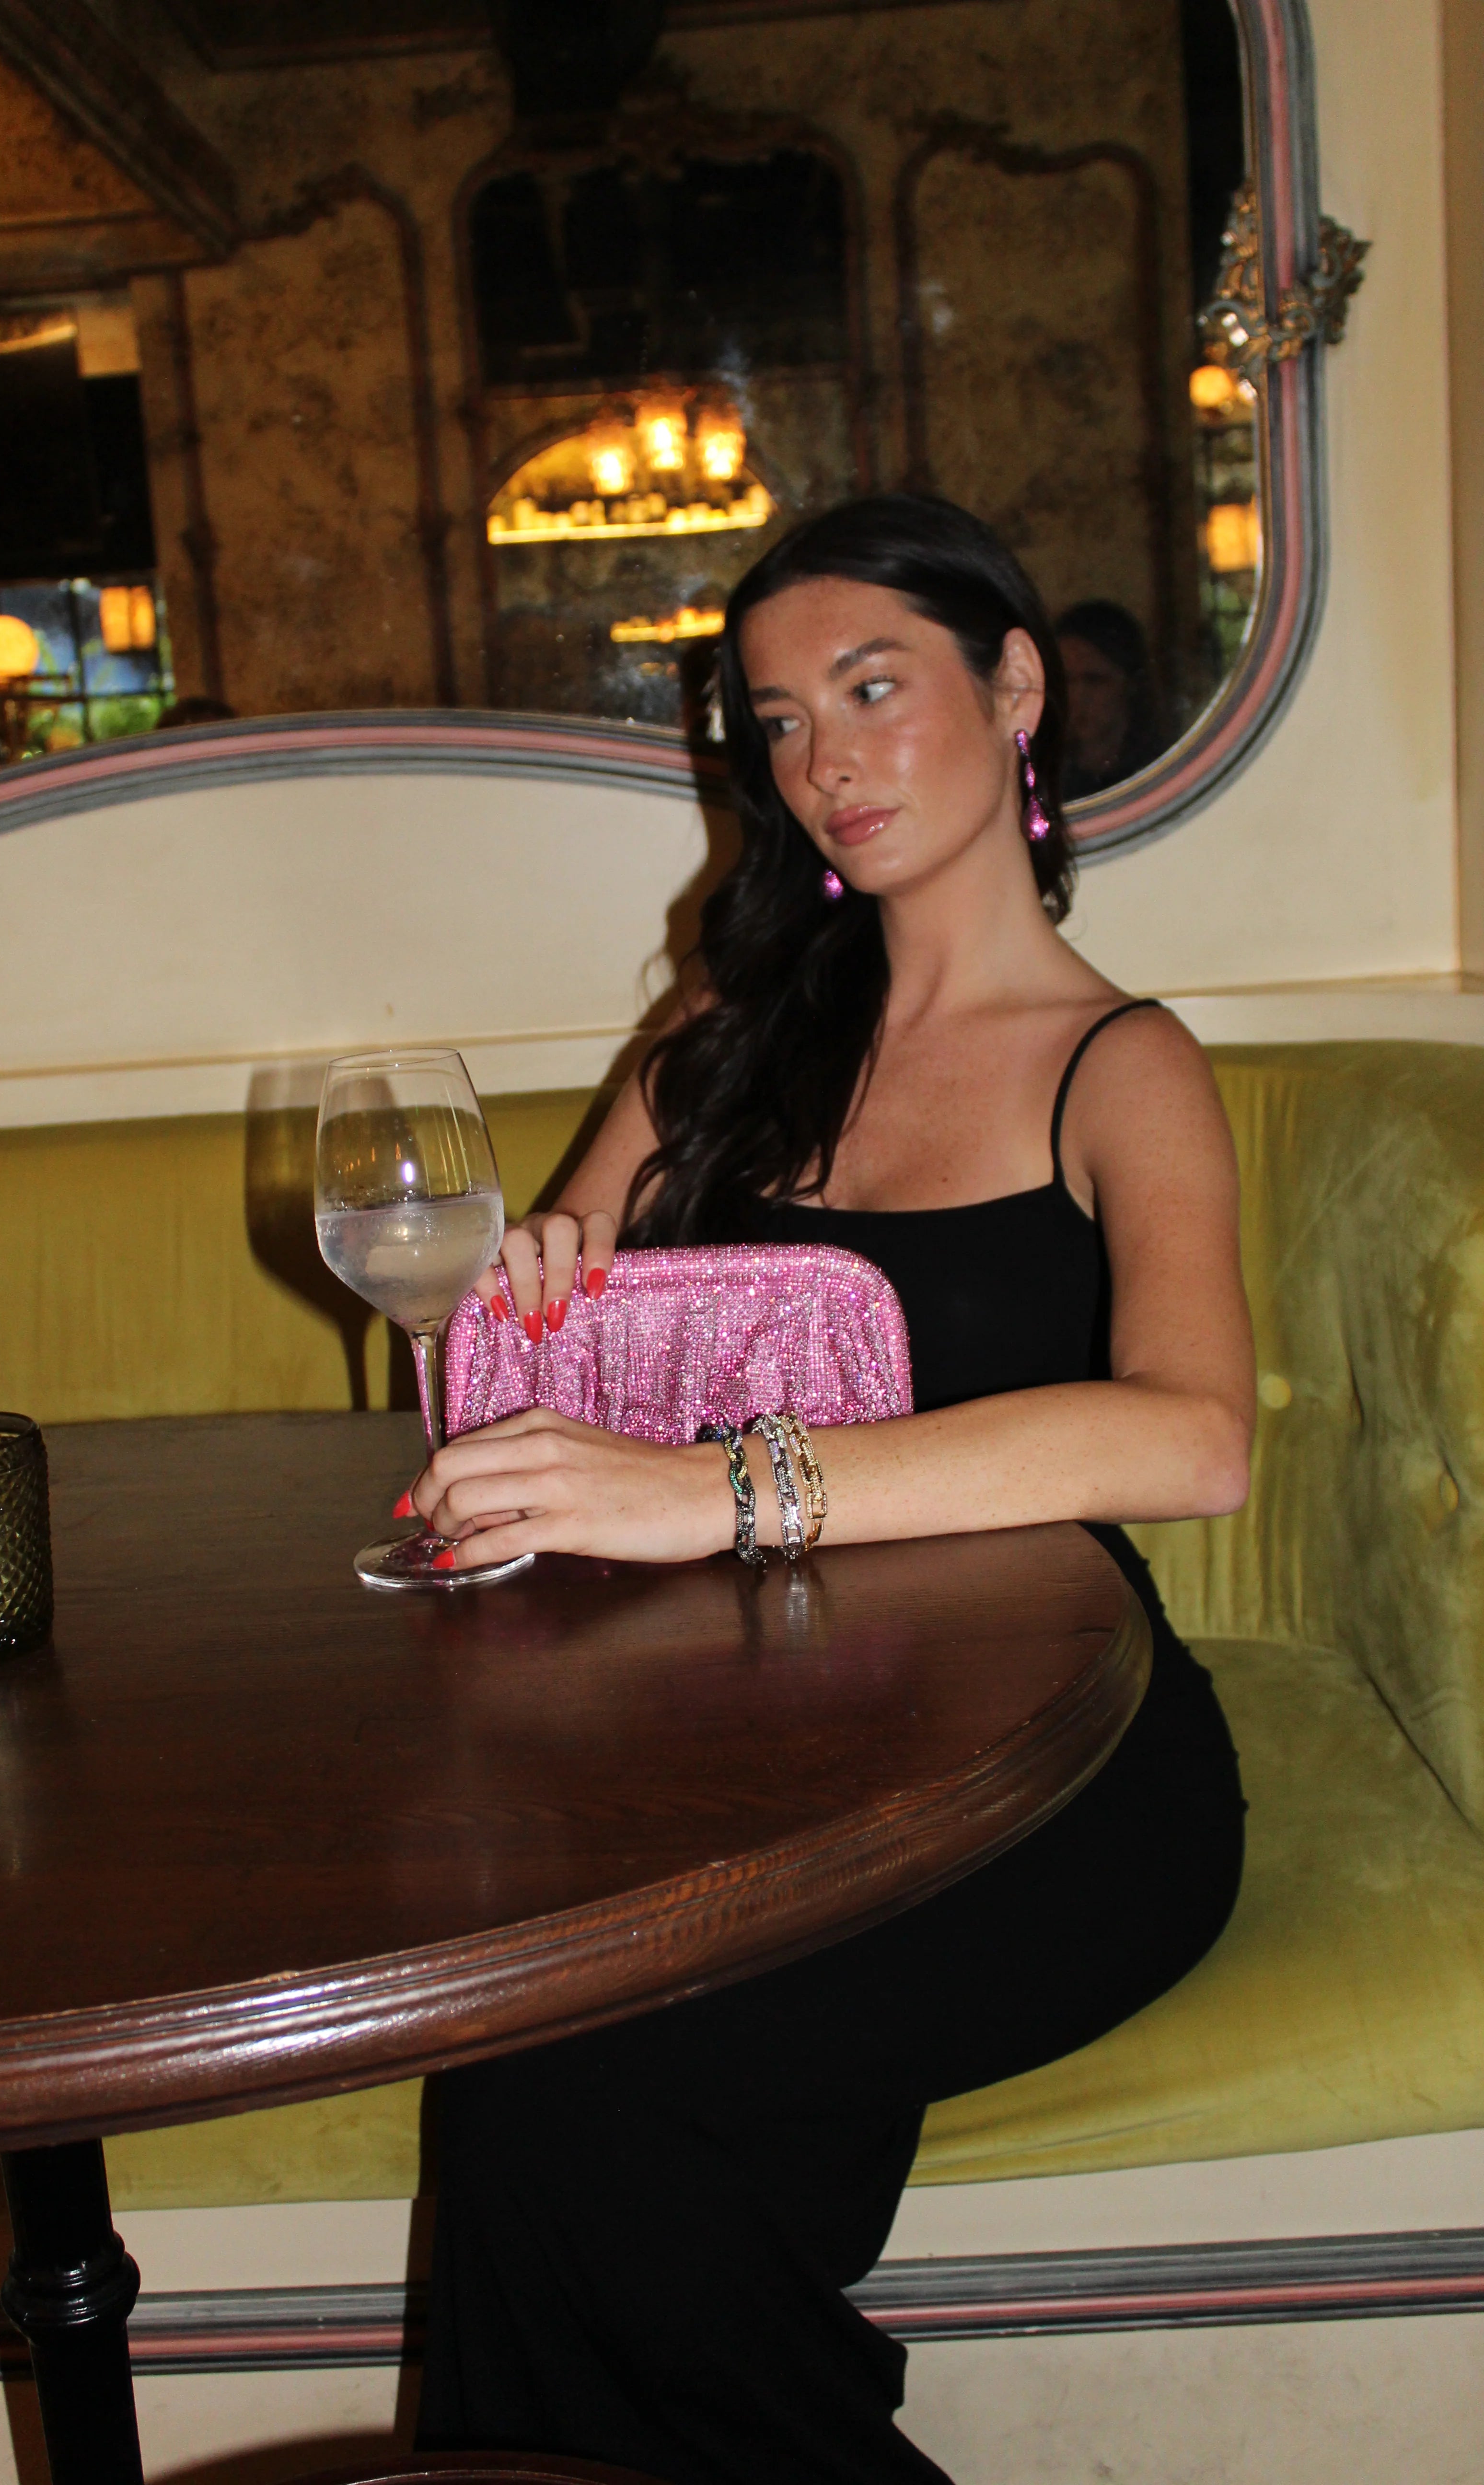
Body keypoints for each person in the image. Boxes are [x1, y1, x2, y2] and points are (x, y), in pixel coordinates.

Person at [408, 493, 1252, 2485]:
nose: (824, 763)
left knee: (578, 2120)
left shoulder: (1118, 1064)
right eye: (779, 722)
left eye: (873, 689)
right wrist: (539, 1305)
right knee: (555, 2108)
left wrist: (723, 1486)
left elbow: (1195, 1438)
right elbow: (531, 1402)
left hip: (1045, 1766)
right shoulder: (719, 1046)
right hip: (730, 1753)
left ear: (1015, 687)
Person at [1055, 598, 1165, 798]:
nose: (1077, 697)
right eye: (1067, 681)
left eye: (1095, 681)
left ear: (1131, 684)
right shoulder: (1041, 772)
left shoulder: (1160, 769)